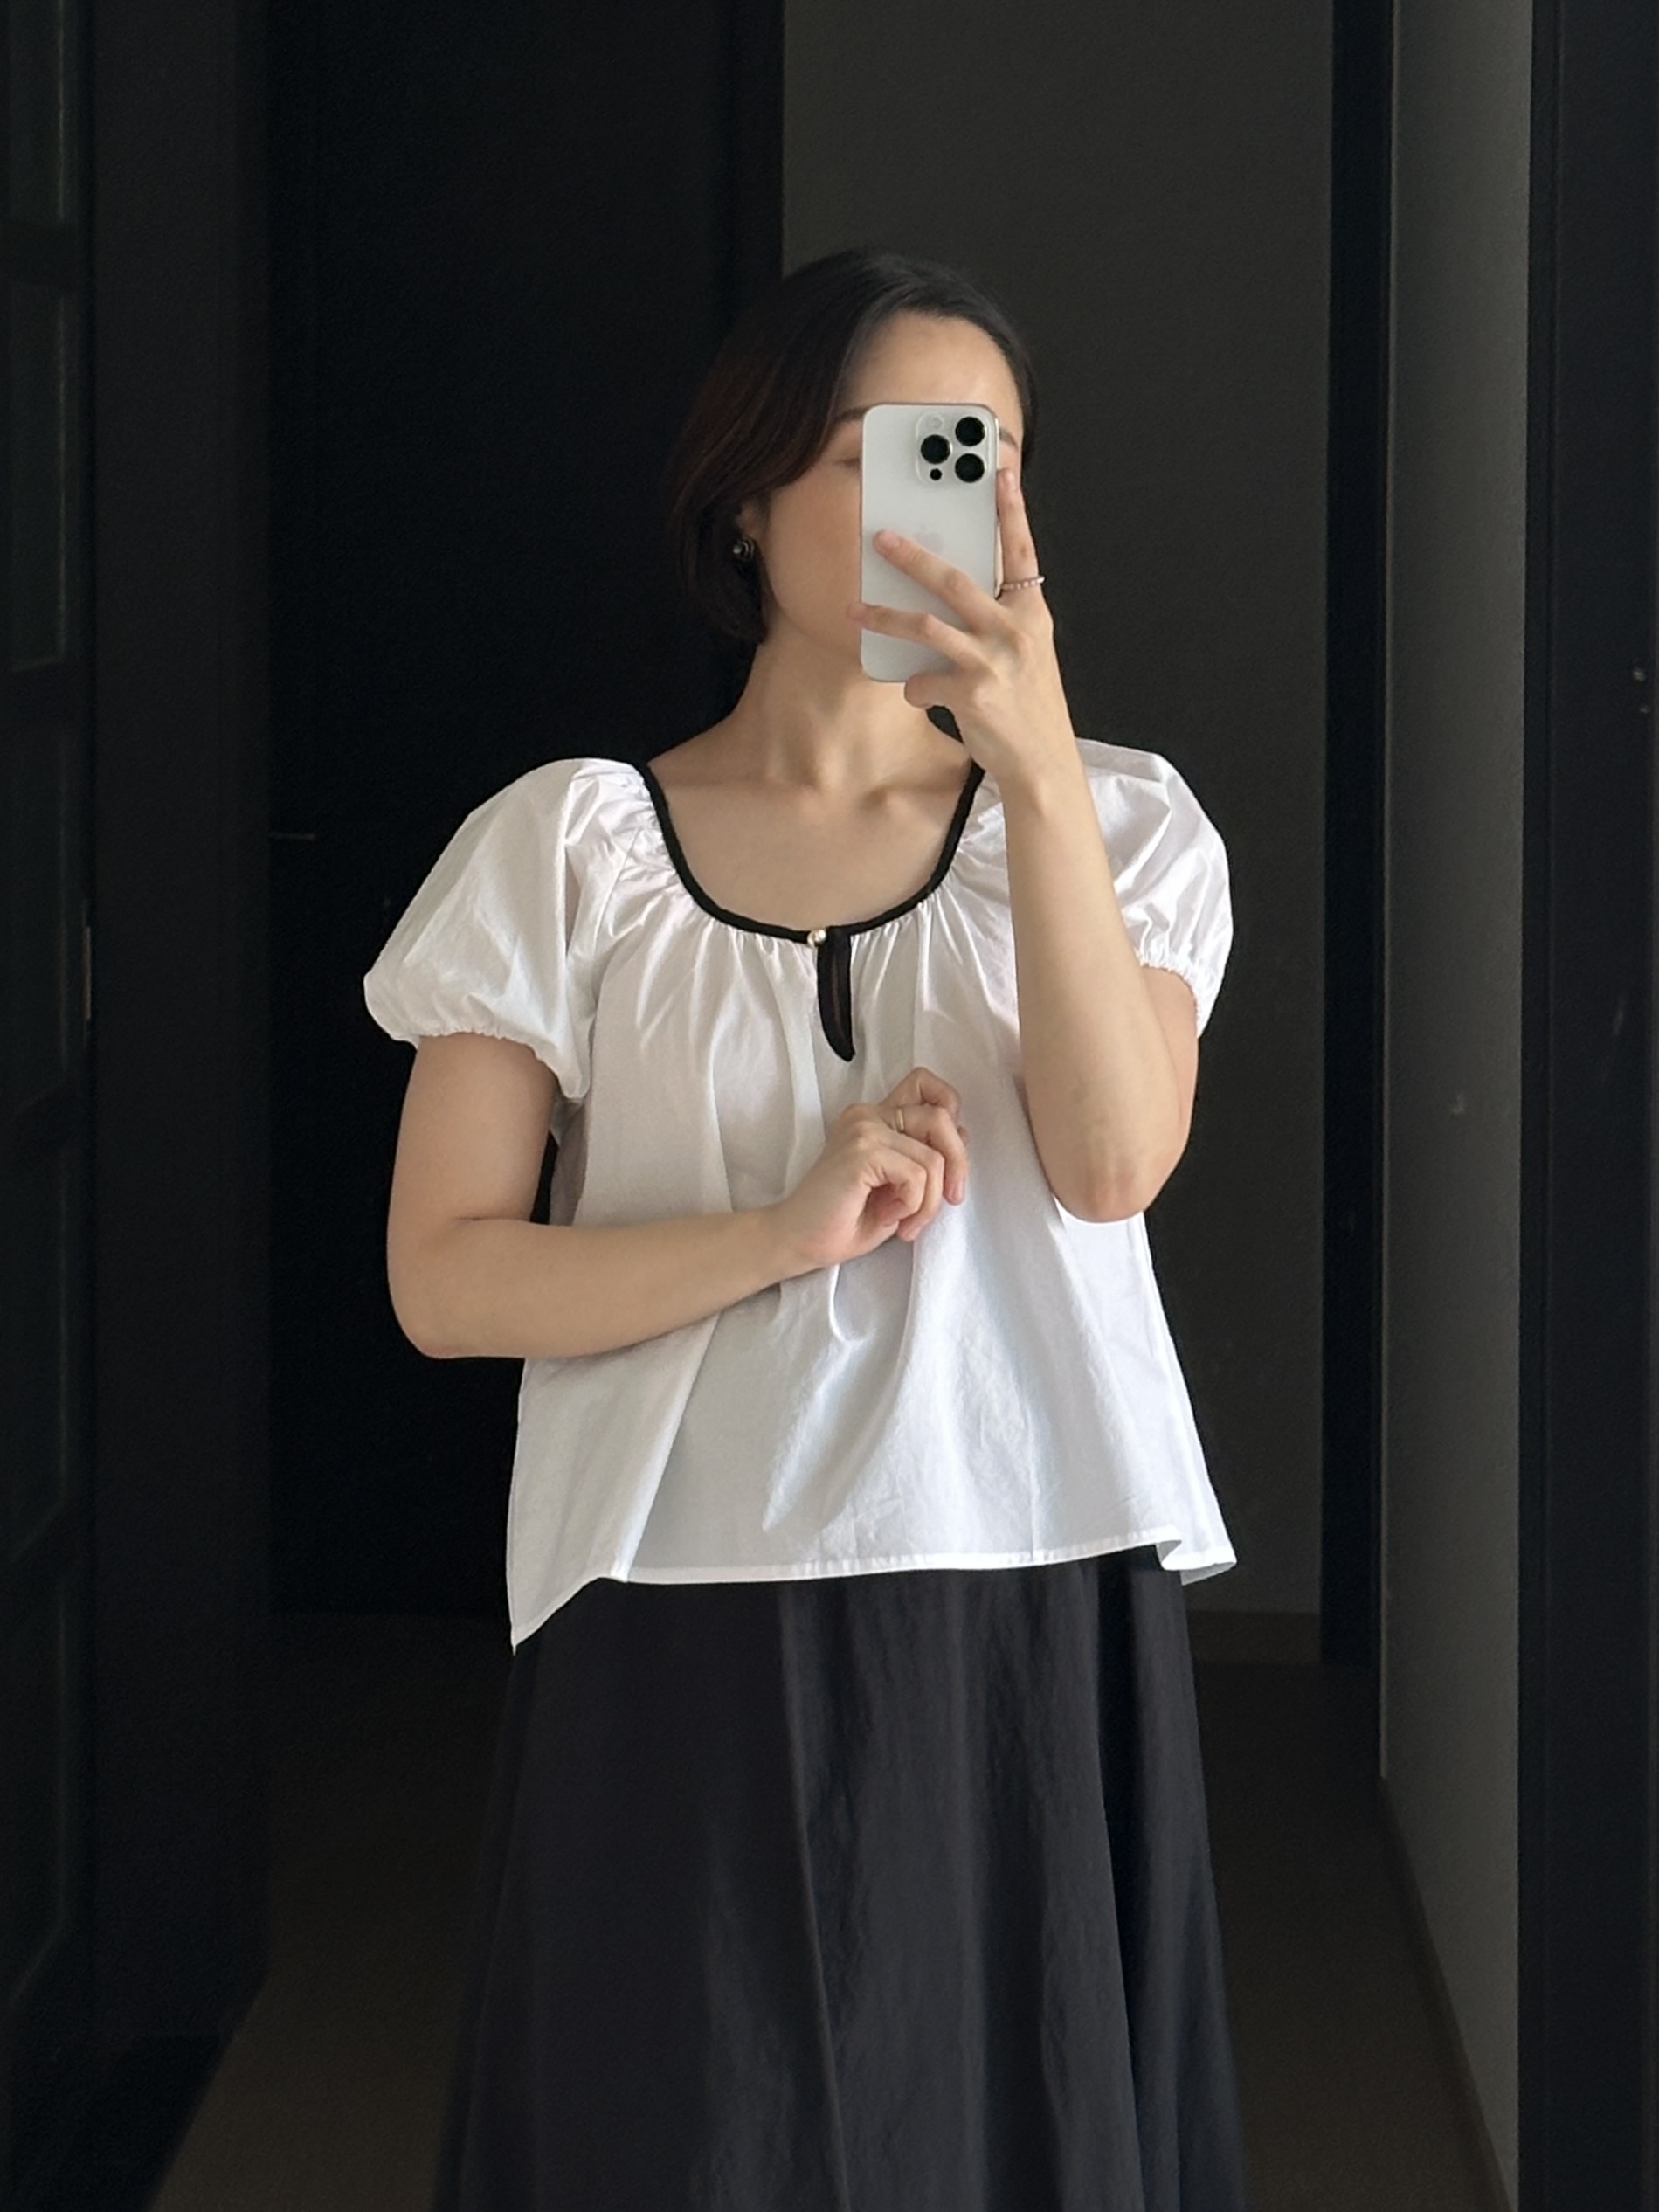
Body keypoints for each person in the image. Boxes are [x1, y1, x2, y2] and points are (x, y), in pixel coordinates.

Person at [363, 247, 1251, 2212]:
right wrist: (778, 1233)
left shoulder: (1117, 829)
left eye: (978, 452)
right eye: (880, 451)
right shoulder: (567, 848)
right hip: (672, 1594)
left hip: (1020, 1584)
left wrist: (1029, 762)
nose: (941, 497)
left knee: (1008, 2133)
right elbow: (445, 1276)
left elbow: (1110, 1164)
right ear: (748, 498)